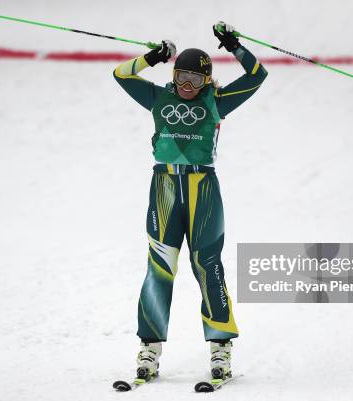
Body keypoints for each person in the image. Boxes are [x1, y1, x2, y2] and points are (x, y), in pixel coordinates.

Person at [113, 21, 267, 381]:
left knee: (207, 265)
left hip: (204, 190)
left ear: (207, 81)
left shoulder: (217, 102)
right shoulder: (159, 97)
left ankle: (220, 349)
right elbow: (121, 74)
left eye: (195, 81)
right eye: (181, 77)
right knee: (159, 268)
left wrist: (235, 46)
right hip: (164, 186)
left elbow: (257, 76)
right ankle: (149, 349)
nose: (186, 86)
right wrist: (152, 58)